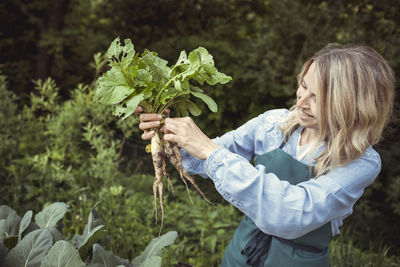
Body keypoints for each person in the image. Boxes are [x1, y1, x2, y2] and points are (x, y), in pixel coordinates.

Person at [137, 44, 395, 266]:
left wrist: (209, 150)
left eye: (317, 97)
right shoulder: (273, 123)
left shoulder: (361, 162)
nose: (302, 101)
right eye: (303, 86)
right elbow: (200, 161)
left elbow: (292, 213)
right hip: (241, 253)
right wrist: (168, 135)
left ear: (350, 106)